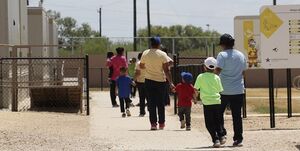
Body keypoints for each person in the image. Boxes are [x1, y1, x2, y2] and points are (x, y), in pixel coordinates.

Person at [215, 34, 247, 147]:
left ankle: (221, 134)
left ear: (223, 44)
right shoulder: (241, 55)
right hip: (238, 90)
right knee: (237, 116)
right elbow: (243, 72)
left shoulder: (222, 55)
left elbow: (217, 70)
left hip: (223, 90)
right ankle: (238, 139)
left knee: (219, 114)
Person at [140, 37, 174, 130]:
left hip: (149, 80)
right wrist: (171, 82)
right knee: (160, 103)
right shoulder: (163, 54)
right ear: (159, 44)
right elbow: (166, 70)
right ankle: (161, 123)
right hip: (160, 81)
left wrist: (148, 67)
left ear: (151, 44)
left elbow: (141, 66)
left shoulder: (145, 53)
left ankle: (153, 124)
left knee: (151, 103)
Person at [194, 57, 225, 148]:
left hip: (207, 103)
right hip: (217, 102)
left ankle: (215, 139)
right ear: (215, 68)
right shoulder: (217, 77)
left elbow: (196, 89)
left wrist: (195, 98)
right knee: (217, 121)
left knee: (209, 123)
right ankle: (221, 136)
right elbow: (220, 90)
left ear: (204, 67)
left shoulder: (200, 76)